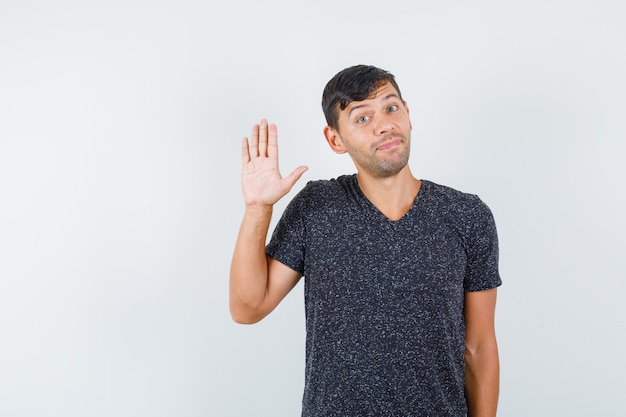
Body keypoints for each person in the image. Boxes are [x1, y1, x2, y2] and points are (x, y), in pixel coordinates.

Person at [230, 64, 501, 417]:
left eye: (391, 108)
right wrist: (257, 209)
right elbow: (248, 308)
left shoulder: (466, 215)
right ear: (335, 140)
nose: (384, 124)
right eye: (362, 118)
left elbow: (479, 347)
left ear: (408, 115)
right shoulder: (316, 208)